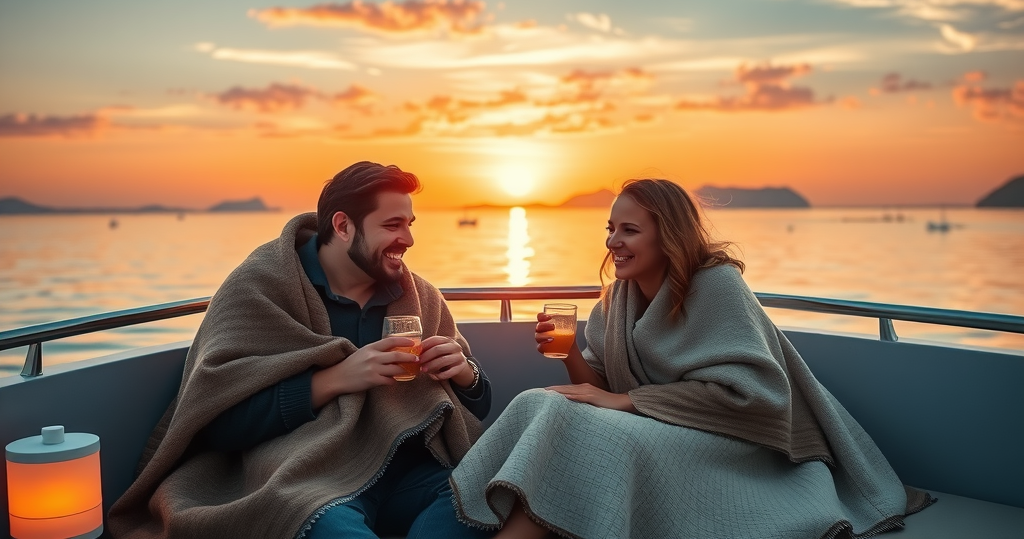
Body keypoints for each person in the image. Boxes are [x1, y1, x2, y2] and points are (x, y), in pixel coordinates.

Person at [449, 178, 933, 539]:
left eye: (629, 230)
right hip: (659, 428)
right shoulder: (617, 301)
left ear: (669, 237)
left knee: (593, 435)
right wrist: (571, 351)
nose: (613, 242)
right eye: (611, 228)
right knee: (540, 401)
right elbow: (598, 390)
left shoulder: (716, 285)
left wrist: (631, 402)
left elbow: (756, 396)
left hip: (734, 443)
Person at [108, 162, 494, 539]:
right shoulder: (260, 287)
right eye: (392, 225)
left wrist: (464, 373)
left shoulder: (420, 297)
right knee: (319, 521)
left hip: (410, 477)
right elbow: (218, 425)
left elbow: (476, 406)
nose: (408, 239)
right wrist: (335, 379)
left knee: (485, 491)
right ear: (343, 226)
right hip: (309, 480)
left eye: (409, 224)